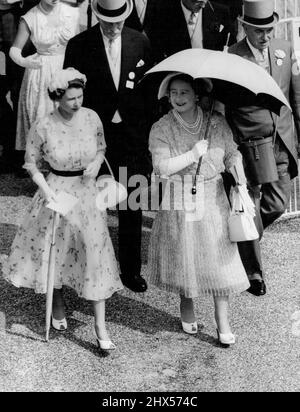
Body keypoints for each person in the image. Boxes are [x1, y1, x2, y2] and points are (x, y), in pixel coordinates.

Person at [3, 68, 123, 351]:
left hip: (86, 192)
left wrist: (96, 162)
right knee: (55, 250)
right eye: (70, 99)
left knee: (94, 254)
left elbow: (102, 148)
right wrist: (46, 192)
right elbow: (31, 163)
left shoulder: (92, 117)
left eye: (80, 96)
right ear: (57, 98)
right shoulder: (43, 125)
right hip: (56, 190)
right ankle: (56, 301)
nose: (77, 103)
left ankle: (100, 325)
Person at [147, 73, 250, 345]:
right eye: (173, 93)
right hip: (180, 196)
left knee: (220, 260)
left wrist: (239, 177)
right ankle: (187, 306)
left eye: (184, 93)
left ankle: (222, 321)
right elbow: (162, 167)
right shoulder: (162, 127)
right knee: (186, 255)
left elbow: (231, 153)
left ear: (196, 95)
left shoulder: (216, 123)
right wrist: (192, 154)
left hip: (213, 195)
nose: (178, 98)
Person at [63, 0, 153, 293]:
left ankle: (130, 270)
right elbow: (70, 97)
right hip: (93, 139)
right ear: (97, 16)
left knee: (131, 204)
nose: (114, 28)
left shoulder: (140, 42)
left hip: (132, 137)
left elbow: (150, 91)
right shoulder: (79, 45)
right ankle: (93, 269)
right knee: (92, 205)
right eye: (107, 22)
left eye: (119, 22)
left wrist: (145, 133)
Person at [226, 0, 300, 297]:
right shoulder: (231, 56)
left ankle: (246, 236)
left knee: (277, 204)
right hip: (252, 142)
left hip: (282, 139)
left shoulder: (285, 48)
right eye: (258, 30)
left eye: (268, 29)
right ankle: (254, 273)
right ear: (245, 27)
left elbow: (296, 96)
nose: (265, 35)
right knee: (253, 201)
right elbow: (226, 106)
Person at [8, 0, 79, 169]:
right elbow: (14, 50)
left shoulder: (71, 13)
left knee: (67, 118)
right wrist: (25, 62)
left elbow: (80, 43)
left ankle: (65, 170)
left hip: (65, 69)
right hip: (40, 73)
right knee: (42, 119)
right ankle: (43, 172)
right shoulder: (30, 17)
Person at [151, 0, 238, 63]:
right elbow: (158, 51)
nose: (203, 6)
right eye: (197, 2)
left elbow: (230, 44)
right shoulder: (163, 15)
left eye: (204, 2)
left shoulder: (221, 12)